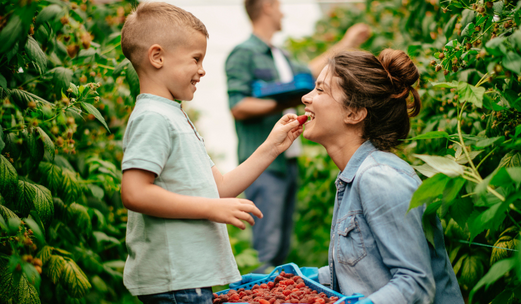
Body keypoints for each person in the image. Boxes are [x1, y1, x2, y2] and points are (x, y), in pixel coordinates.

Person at [119, 2, 304, 303]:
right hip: (175, 281)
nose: (202, 70)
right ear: (157, 57)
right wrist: (211, 209)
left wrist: (272, 146)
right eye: (195, 59)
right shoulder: (152, 117)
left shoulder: (174, 116)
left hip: (189, 279)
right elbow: (135, 193)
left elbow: (218, 189)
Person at [301, 49, 464, 303]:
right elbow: (364, 270)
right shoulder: (352, 178)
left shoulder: (380, 178)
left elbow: (416, 284)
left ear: (353, 113)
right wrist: (299, 279)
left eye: (320, 90)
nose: (306, 98)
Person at [225, 0, 371, 273]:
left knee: (280, 247)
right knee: (266, 249)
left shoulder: (279, 54)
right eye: (279, 6)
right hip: (264, 165)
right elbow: (238, 106)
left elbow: (312, 72)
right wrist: (285, 102)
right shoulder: (243, 54)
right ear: (267, 6)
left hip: (287, 161)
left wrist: (346, 41)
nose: (283, 12)